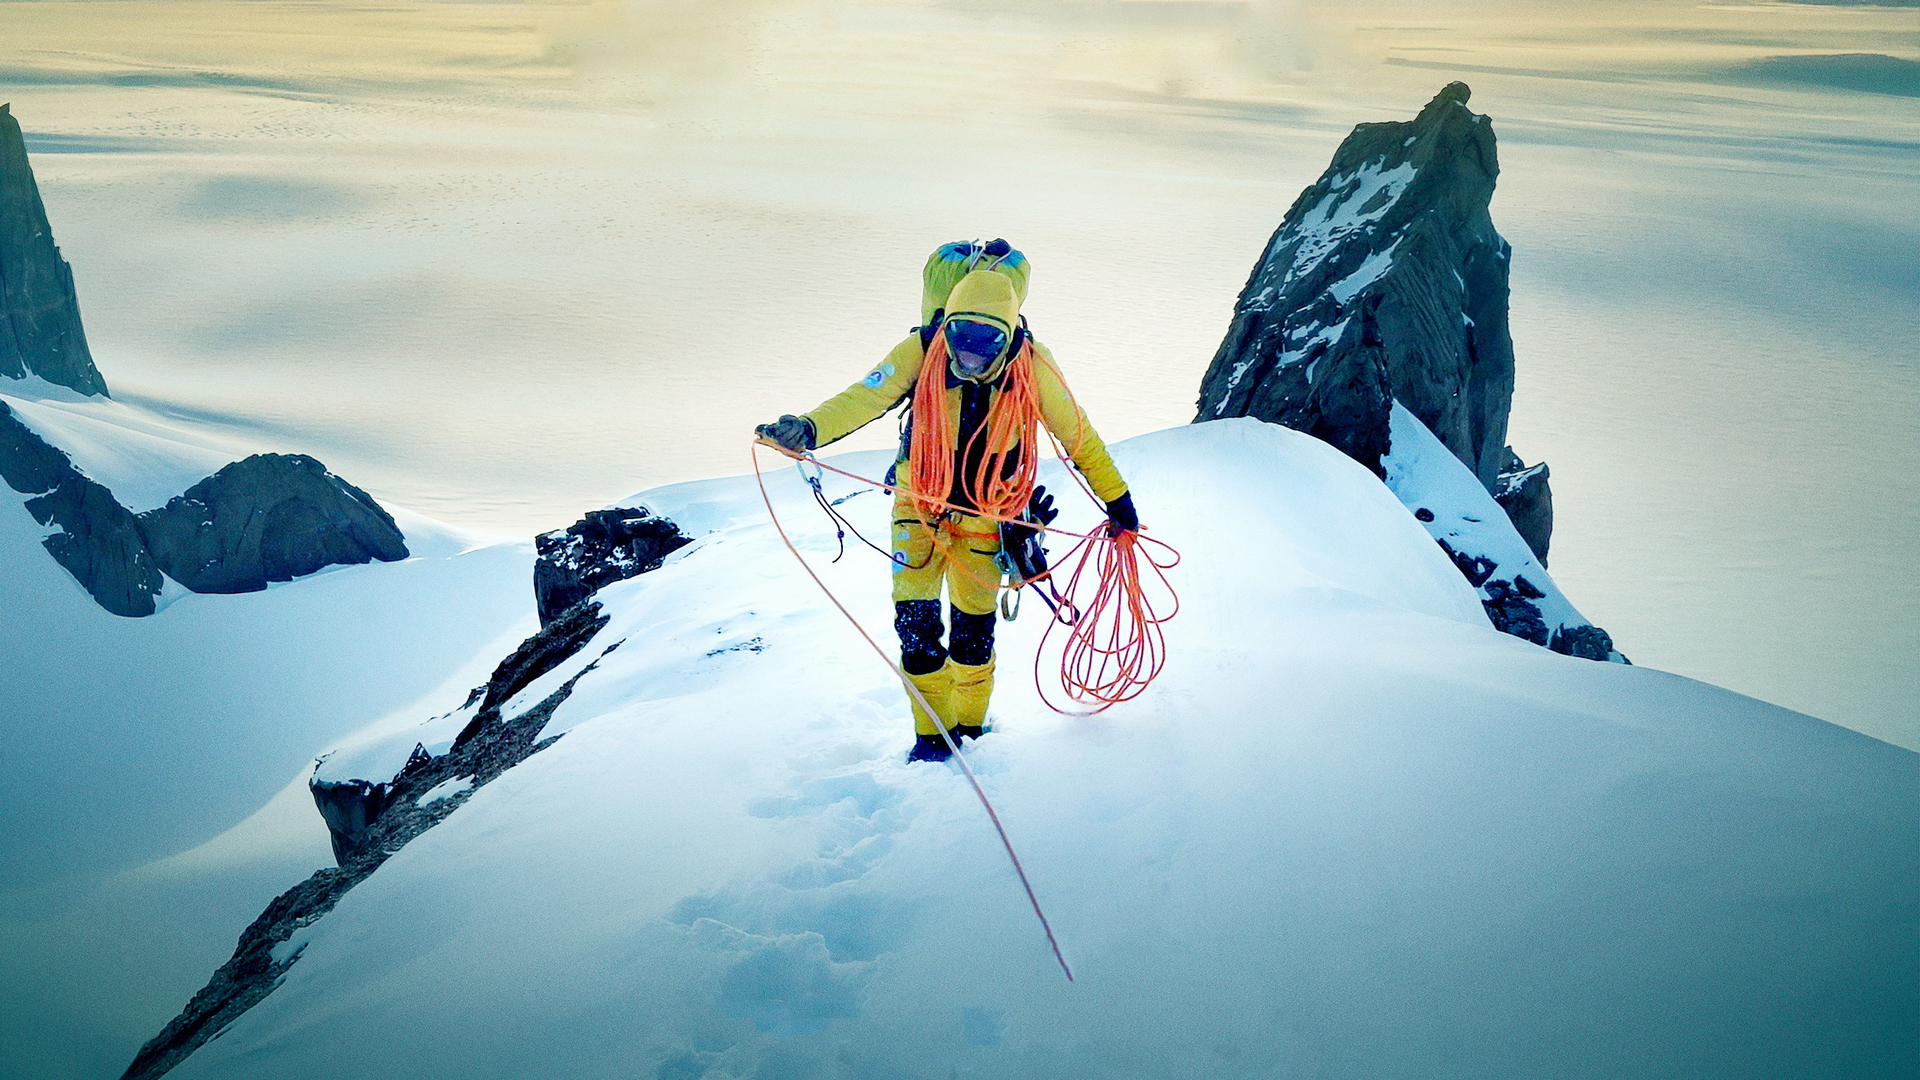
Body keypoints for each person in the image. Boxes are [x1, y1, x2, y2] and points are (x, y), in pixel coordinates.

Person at [757, 240, 1137, 763]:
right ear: (948, 324)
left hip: (989, 515)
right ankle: (932, 737)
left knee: (972, 637)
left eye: (985, 344)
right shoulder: (924, 347)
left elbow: (1079, 438)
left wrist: (1119, 502)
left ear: (1008, 335)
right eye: (961, 340)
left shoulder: (1033, 367)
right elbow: (866, 395)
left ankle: (972, 733)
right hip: (917, 508)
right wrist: (809, 427)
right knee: (915, 634)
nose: (969, 356)